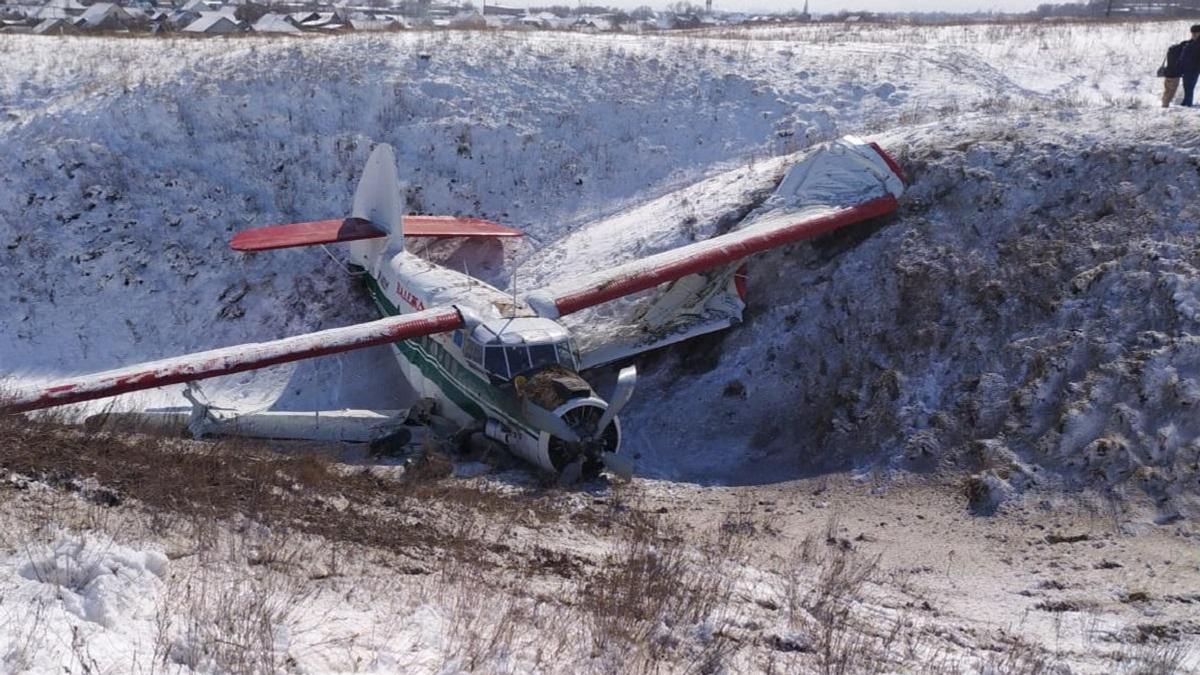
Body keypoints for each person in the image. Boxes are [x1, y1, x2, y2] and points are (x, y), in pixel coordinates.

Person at [1180, 25, 1200, 107]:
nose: (1194, 34)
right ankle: (1185, 102)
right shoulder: (1191, 41)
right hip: (1187, 68)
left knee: (1189, 86)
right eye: (1192, 33)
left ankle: (1188, 104)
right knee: (1186, 86)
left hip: (1194, 69)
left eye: (1196, 33)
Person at [1162, 39, 1184, 107]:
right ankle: (1165, 105)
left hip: (1167, 74)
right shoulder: (1179, 54)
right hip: (1174, 76)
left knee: (1166, 91)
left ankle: (1164, 103)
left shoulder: (1170, 52)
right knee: (1171, 92)